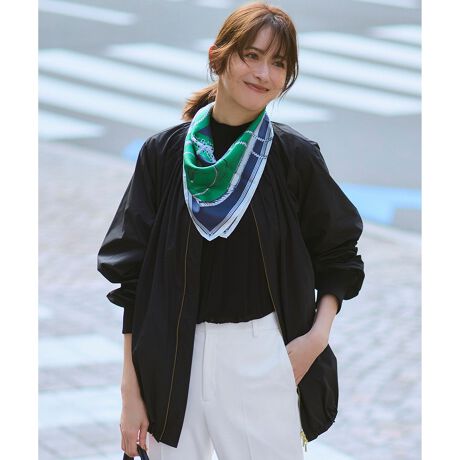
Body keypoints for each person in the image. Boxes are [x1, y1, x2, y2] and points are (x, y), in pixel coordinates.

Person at [97, 2, 365, 459]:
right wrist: (130, 390)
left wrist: (315, 340)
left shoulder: (292, 157)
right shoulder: (164, 155)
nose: (263, 73)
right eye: (251, 56)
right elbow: (133, 280)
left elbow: (339, 256)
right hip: (170, 358)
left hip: (260, 354)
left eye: (278, 63)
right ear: (218, 56)